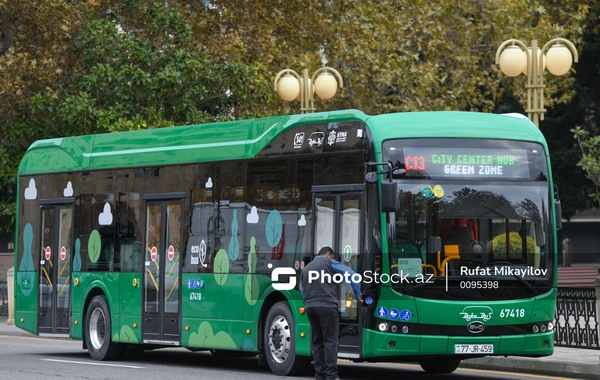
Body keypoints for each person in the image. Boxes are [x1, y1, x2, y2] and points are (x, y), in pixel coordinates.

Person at [300, 246, 363, 380]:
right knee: (330, 341)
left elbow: (302, 289)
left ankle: (319, 375)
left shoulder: (306, 268)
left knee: (318, 341)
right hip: (327, 306)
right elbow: (351, 274)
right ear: (328, 254)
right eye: (332, 256)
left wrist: (309, 302)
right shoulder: (329, 262)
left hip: (310, 307)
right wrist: (358, 294)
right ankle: (331, 376)